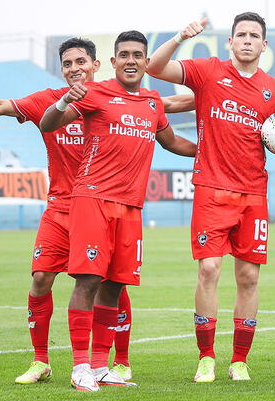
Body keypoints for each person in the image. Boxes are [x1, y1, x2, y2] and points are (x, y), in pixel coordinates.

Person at [0, 39, 194, 384]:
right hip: (65, 206)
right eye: (68, 64)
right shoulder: (52, 100)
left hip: (112, 205)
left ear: (96, 65)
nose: (74, 68)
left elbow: (171, 110)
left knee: (115, 282)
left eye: (80, 62)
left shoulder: (121, 97)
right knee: (45, 278)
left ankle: (117, 362)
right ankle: (43, 360)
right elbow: (1, 106)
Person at [146, 12, 275, 382]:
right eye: (242, 34)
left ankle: (239, 360)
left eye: (255, 35)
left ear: (264, 45)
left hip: (254, 193)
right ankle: (206, 356)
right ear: (231, 42)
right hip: (211, 190)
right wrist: (179, 36)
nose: (248, 40)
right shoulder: (207, 72)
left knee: (249, 277)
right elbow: (154, 68)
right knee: (208, 269)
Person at [39, 30, 196, 391]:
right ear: (113, 62)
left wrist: (208, 152)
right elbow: (49, 124)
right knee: (88, 280)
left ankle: (99, 367)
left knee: (114, 285)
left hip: (131, 207)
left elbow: (171, 142)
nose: (130, 60)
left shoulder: (153, 102)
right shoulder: (94, 92)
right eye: (123, 54)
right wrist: (64, 101)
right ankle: (79, 366)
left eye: (137, 55)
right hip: (92, 199)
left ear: (145, 62)